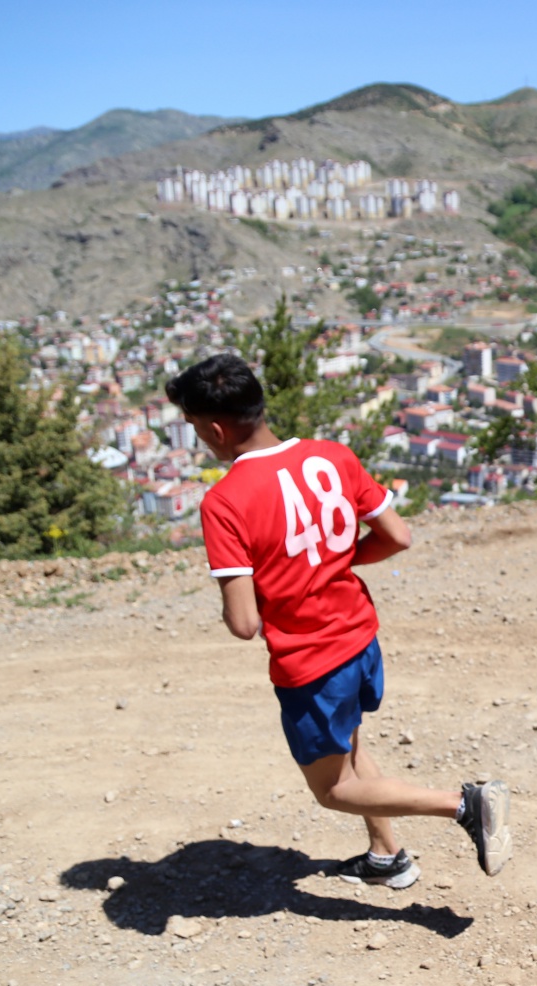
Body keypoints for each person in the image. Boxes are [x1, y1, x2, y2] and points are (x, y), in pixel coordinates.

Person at [166, 353, 511, 888]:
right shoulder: (331, 456)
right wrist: (335, 561)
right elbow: (397, 536)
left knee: (333, 789)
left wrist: (258, 587)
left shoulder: (224, 502)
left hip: (311, 660)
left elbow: (243, 623)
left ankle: (464, 805)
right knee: (349, 745)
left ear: (214, 429)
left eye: (194, 427)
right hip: (359, 637)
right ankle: (387, 856)